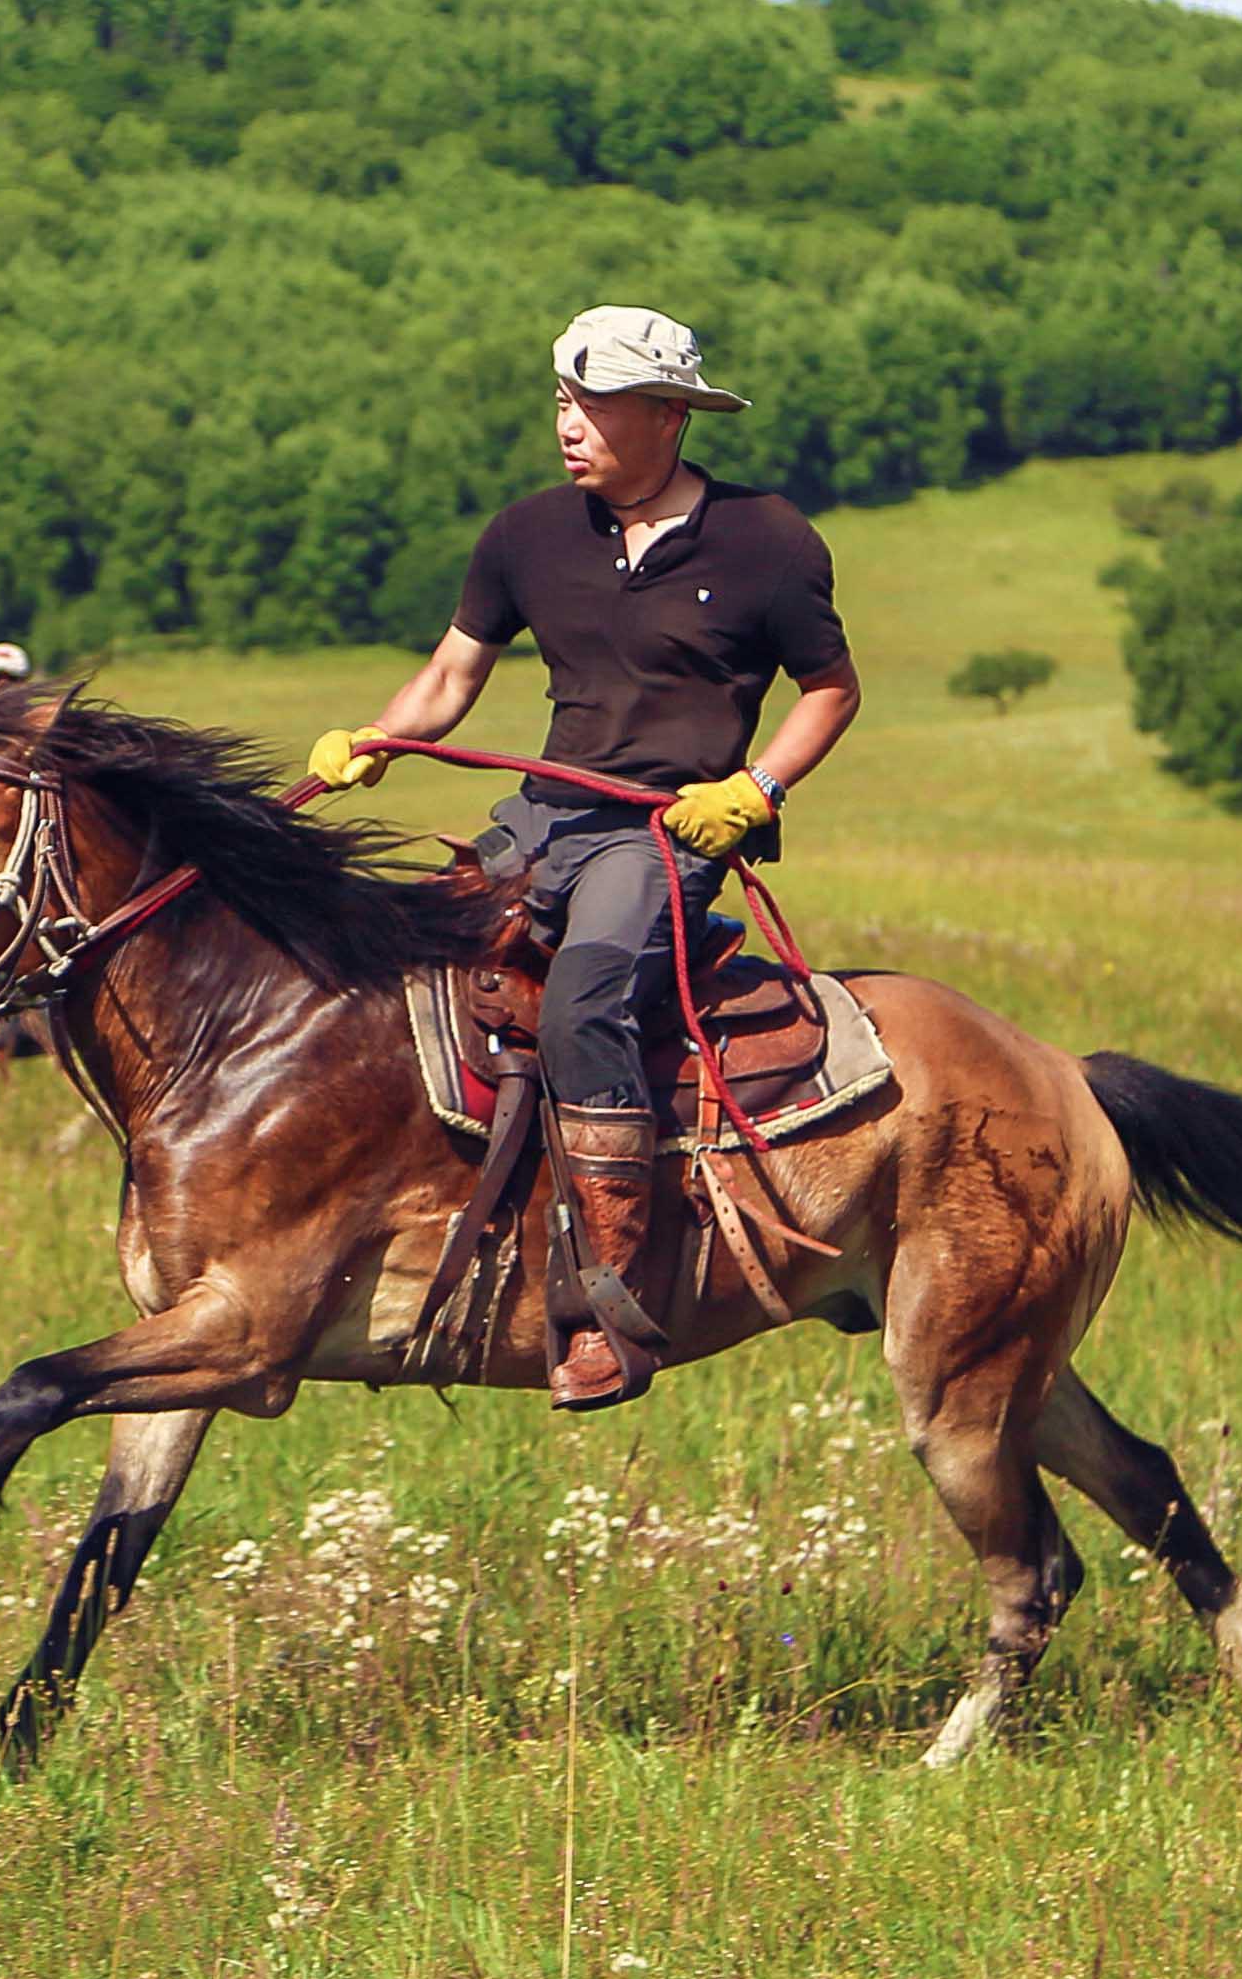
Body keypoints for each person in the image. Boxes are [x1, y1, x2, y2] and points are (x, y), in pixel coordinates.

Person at [308, 305, 860, 1406]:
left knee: (584, 1001)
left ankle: (612, 1294)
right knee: (398, 959)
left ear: (668, 416)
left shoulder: (770, 542)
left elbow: (832, 690)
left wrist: (756, 790)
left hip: (663, 831)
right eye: (563, 401)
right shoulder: (526, 536)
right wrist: (374, 741)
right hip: (542, 819)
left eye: (594, 404)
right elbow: (451, 677)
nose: (569, 424)